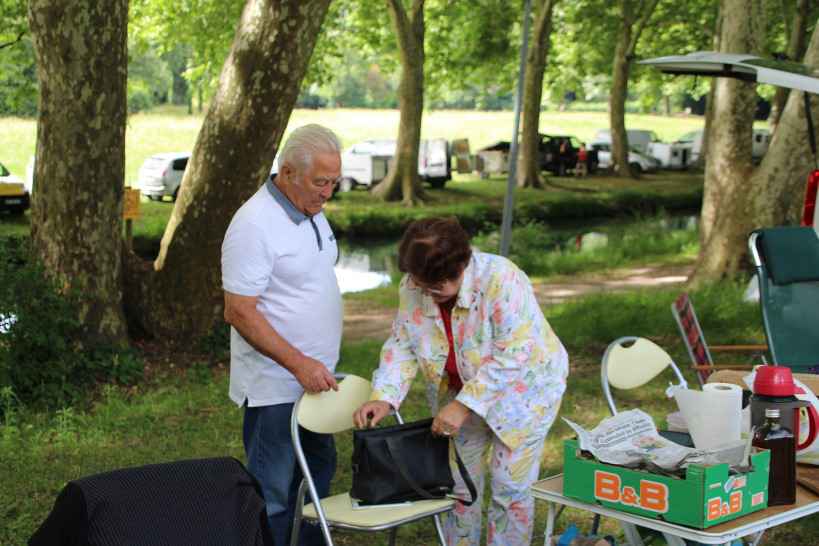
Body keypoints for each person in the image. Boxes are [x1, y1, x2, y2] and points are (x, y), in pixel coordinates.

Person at [353, 217, 569, 546]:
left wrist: (462, 406)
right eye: (420, 283)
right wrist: (384, 395)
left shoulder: (501, 278)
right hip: (462, 392)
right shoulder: (414, 285)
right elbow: (402, 343)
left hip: (526, 391)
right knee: (459, 483)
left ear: (461, 265)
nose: (426, 292)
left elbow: (515, 352)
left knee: (508, 485)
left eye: (435, 285)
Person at [221, 124, 343, 546]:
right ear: (288, 172)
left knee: (316, 477)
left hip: (317, 381)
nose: (328, 192)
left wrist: (315, 366)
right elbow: (239, 311)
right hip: (276, 387)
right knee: (272, 492)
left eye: (334, 182)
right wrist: (299, 364)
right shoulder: (254, 224)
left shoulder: (311, 209)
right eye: (321, 182)